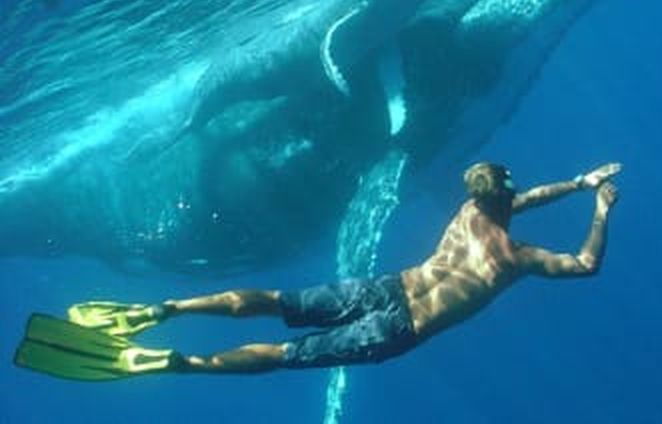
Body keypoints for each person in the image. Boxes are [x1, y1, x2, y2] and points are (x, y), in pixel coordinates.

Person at [15, 162, 620, 380]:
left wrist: (574, 181)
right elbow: (588, 263)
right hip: (400, 328)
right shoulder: (517, 259)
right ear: (506, 197)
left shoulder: (468, 210)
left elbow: (519, 197)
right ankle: (181, 363)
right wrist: (597, 205)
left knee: (275, 299)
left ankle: (164, 310)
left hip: (385, 287)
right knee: (282, 356)